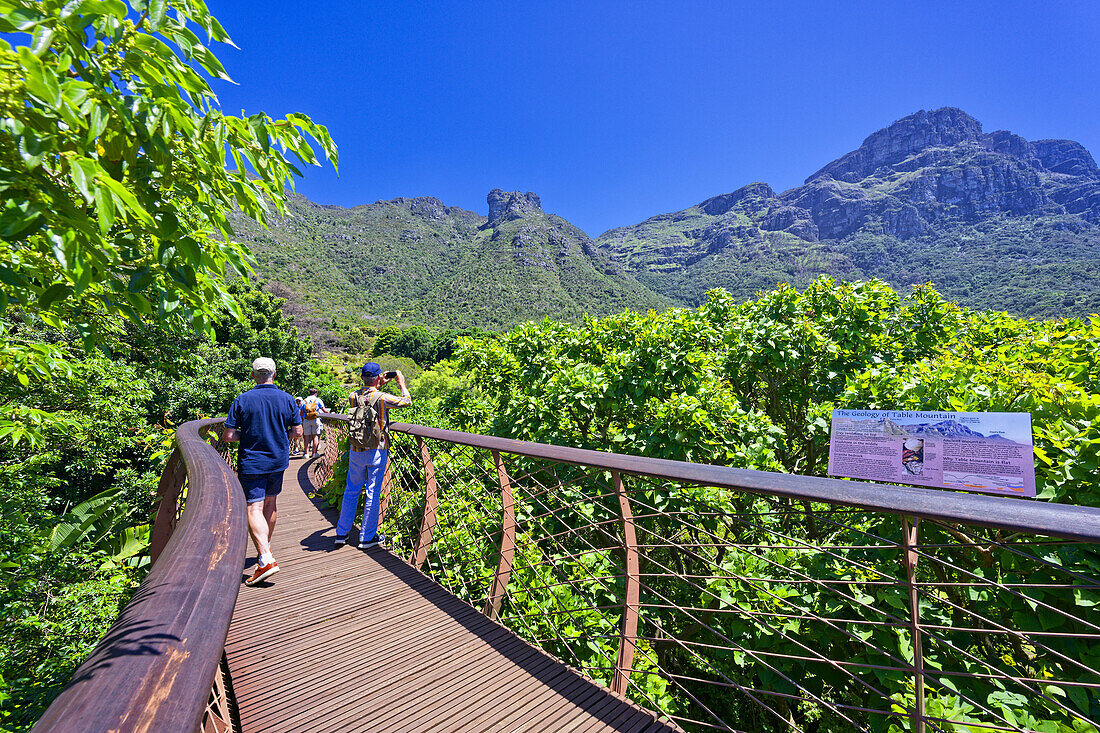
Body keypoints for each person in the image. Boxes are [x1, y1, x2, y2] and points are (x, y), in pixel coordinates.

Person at [223, 357, 302, 585]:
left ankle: (266, 558)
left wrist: (247, 436)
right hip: (277, 461)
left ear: (253, 375)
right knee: (270, 504)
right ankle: (263, 553)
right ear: (274, 374)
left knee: (254, 507)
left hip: (252, 462)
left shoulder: (242, 400)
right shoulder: (287, 399)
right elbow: (297, 432)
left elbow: (229, 436)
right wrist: (279, 435)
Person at [334, 362, 411, 549]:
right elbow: (406, 401)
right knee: (372, 492)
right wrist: (401, 383)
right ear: (378, 378)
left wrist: (377, 384)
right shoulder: (383, 397)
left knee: (351, 490)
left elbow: (366, 397)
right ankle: (366, 538)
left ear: (361, 378)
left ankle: (341, 533)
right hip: (377, 449)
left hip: (356, 449)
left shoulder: (353, 396)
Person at [301, 387, 328, 459]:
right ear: (316, 393)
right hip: (315, 419)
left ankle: (306, 454)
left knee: (306, 437)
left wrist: (301, 421)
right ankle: (314, 453)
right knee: (315, 436)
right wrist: (330, 413)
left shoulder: (304, 400)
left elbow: (301, 412)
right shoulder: (318, 400)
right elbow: (324, 410)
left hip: (306, 420)